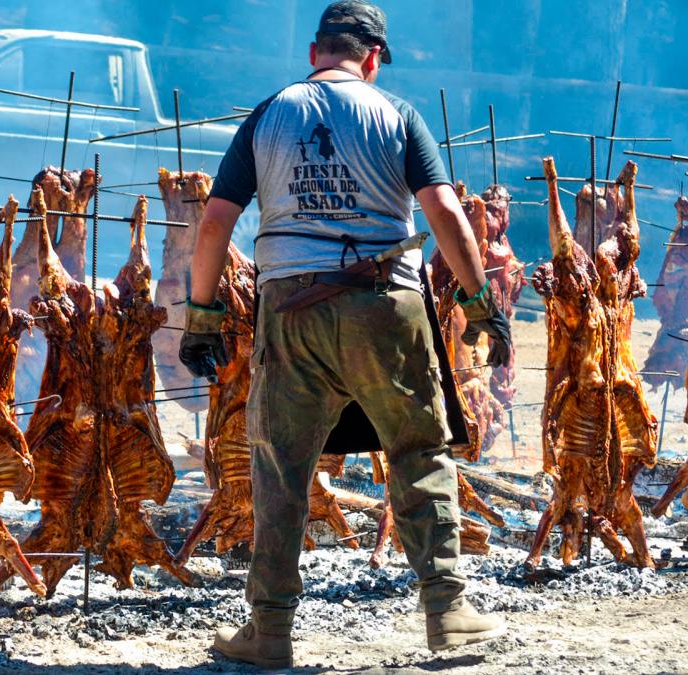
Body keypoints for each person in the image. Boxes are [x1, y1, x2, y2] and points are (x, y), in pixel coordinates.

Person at [179, 1, 511, 668]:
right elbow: (444, 210)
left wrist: (202, 315)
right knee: (417, 449)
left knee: (280, 467)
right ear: (373, 58)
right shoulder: (396, 115)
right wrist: (480, 304)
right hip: (386, 306)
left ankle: (269, 629)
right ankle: (446, 611)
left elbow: (214, 221)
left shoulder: (269, 113)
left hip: (291, 307)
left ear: (313, 54)